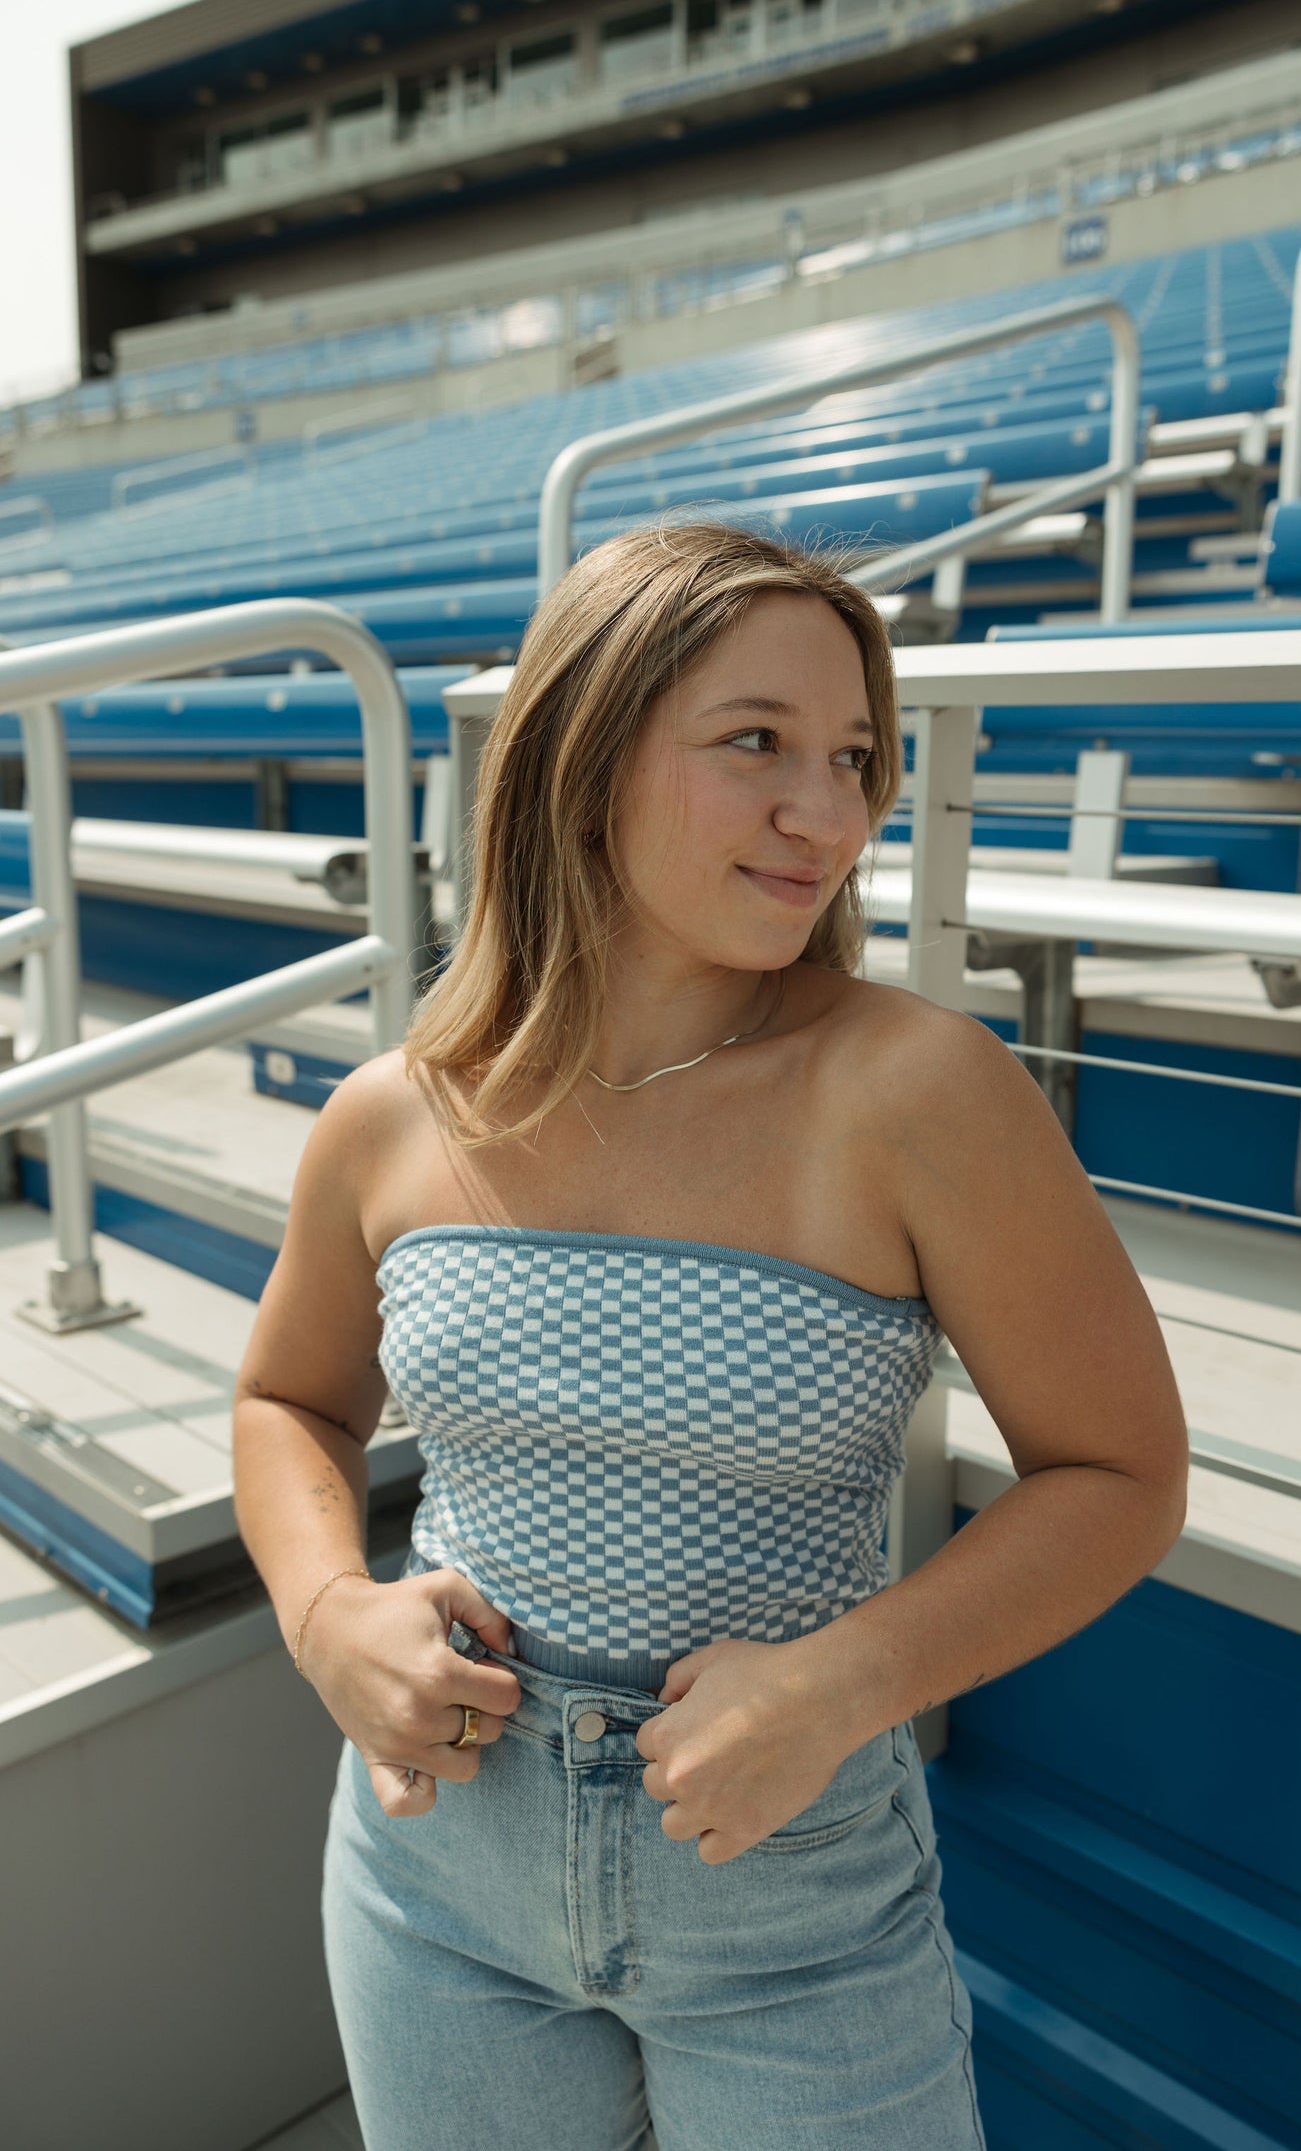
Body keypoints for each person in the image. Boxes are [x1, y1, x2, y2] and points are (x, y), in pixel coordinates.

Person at [233, 519, 1189, 2151]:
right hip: (432, 1875)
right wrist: (329, 1618)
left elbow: (1117, 1473)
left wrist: (837, 1688)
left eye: (854, 759)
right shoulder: (395, 1114)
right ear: (580, 755)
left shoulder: (916, 1090)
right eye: (753, 742)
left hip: (787, 1895)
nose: (822, 813)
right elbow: (287, 1402)